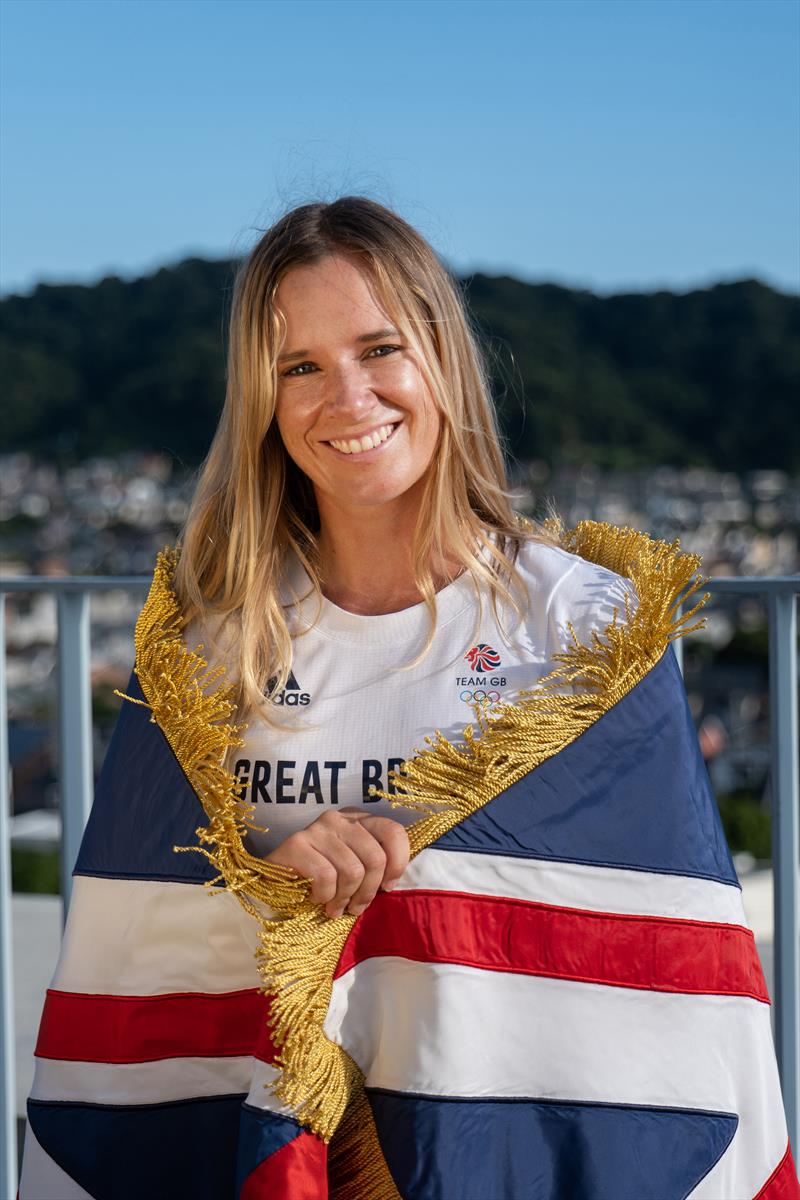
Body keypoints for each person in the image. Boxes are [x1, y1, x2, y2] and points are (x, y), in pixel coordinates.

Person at [20, 197, 798, 1199]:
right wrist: (270, 879)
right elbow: (134, 930)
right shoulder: (207, 644)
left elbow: (664, 957)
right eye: (298, 367)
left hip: (503, 1154)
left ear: (440, 354)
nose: (346, 399)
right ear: (261, 399)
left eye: (378, 348)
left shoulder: (588, 630)